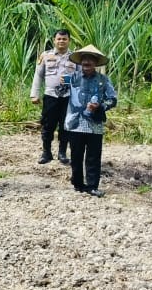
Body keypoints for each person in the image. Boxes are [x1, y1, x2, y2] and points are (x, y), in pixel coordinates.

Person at [64, 45, 117, 197]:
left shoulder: (103, 80)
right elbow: (58, 91)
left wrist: (100, 106)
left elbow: (112, 99)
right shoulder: (71, 77)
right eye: (84, 59)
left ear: (96, 63)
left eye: (90, 60)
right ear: (80, 62)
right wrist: (60, 85)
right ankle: (78, 184)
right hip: (74, 123)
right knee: (76, 156)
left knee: (93, 156)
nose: (87, 62)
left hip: (95, 125)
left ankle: (93, 186)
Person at [30, 28, 75, 164]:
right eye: (59, 39)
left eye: (64, 39)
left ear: (69, 41)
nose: (61, 41)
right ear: (54, 40)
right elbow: (38, 75)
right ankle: (46, 152)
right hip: (50, 96)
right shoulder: (46, 55)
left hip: (68, 96)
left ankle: (62, 152)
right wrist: (34, 94)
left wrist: (70, 80)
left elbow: (80, 77)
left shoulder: (75, 57)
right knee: (47, 124)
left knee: (65, 125)